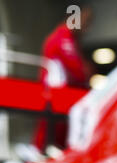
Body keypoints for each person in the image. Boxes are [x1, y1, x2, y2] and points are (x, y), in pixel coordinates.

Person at [35, 5, 94, 153]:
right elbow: (79, 70)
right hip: (57, 96)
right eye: (85, 21)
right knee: (52, 138)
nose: (87, 27)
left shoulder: (70, 39)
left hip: (62, 98)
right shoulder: (62, 38)